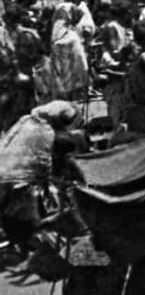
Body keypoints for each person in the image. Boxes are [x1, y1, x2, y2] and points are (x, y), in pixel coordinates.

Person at [0, 101, 83, 259]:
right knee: (33, 216)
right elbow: (44, 163)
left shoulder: (25, 120)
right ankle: (33, 247)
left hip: (3, 171)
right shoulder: (46, 132)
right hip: (20, 180)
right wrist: (47, 182)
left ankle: (20, 243)